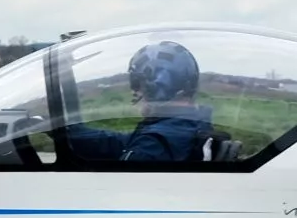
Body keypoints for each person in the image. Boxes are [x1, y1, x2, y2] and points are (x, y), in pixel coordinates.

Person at [66, 39, 215, 164]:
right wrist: (67, 132)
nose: (134, 91)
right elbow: (122, 142)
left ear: (157, 86)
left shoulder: (151, 146)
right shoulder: (188, 125)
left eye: (137, 84)